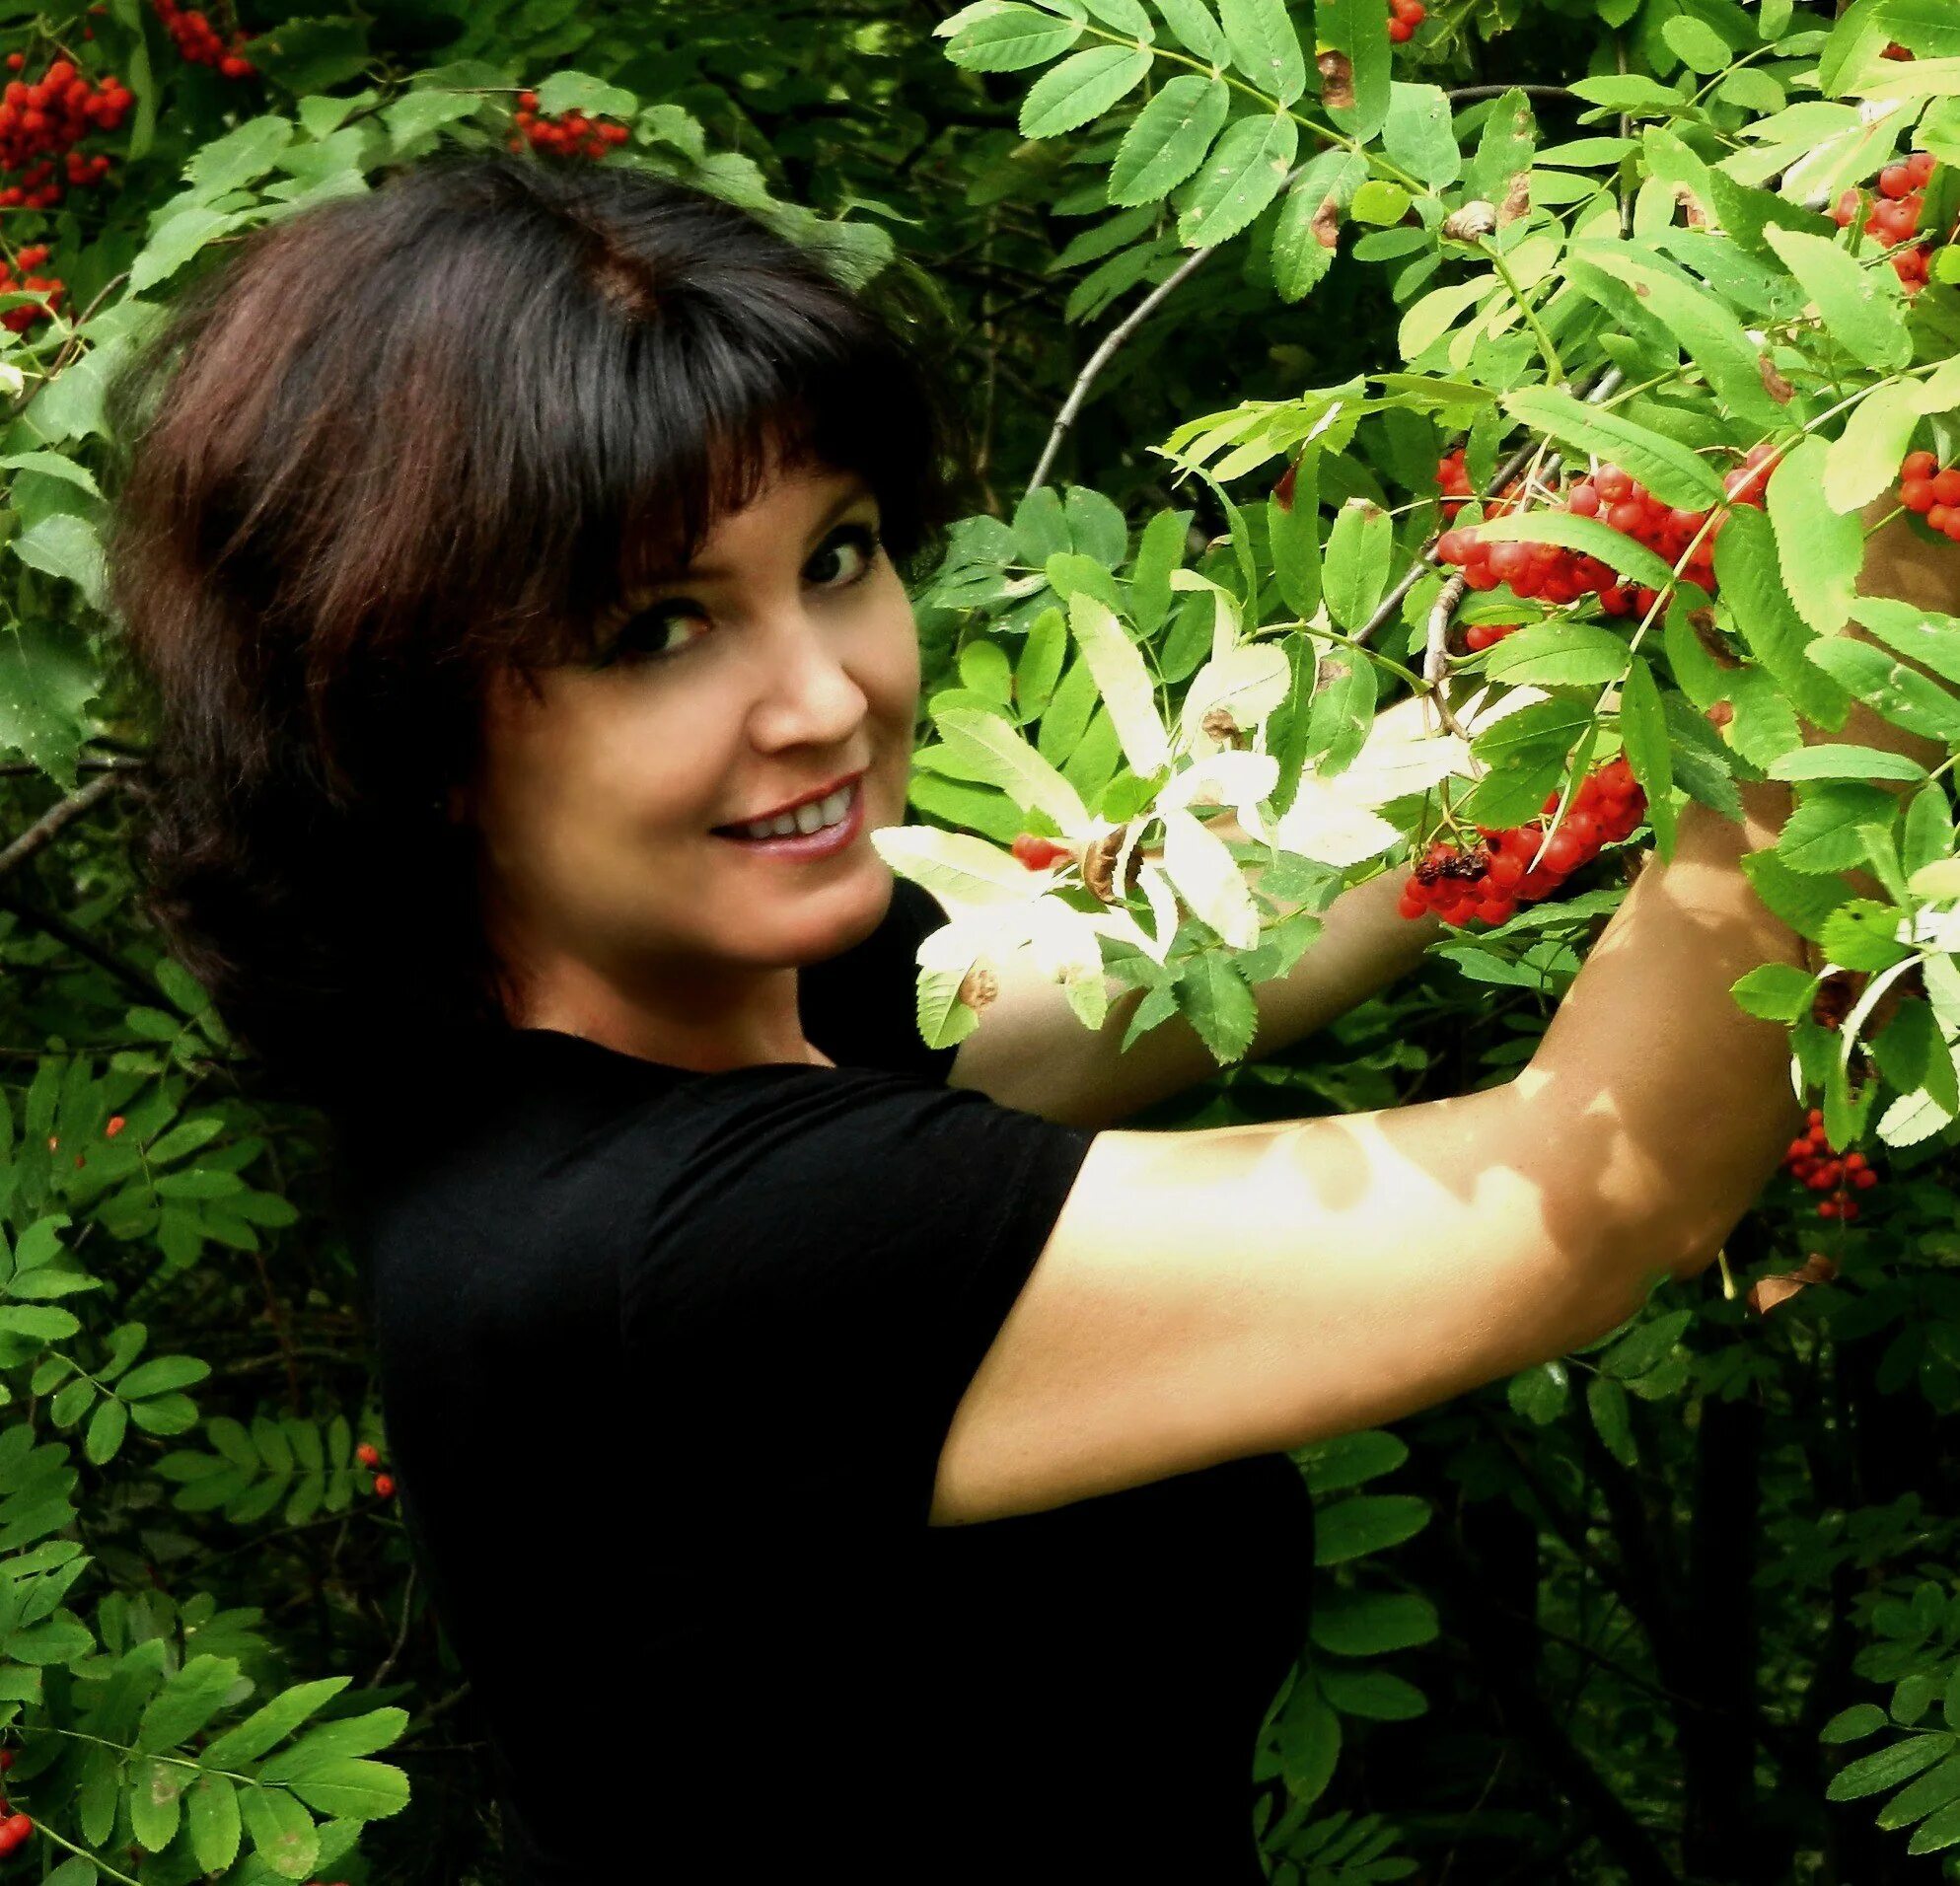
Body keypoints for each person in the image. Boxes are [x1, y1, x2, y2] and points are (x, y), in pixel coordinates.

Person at [98, 150, 1948, 1882]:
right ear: (394, 721)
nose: (822, 697)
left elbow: (1221, 940)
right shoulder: (705, 1249)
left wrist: (1619, 616)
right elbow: (1591, 1205)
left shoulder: (686, 1007)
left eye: (836, 556)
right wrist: (1868, 609)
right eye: (656, 631)